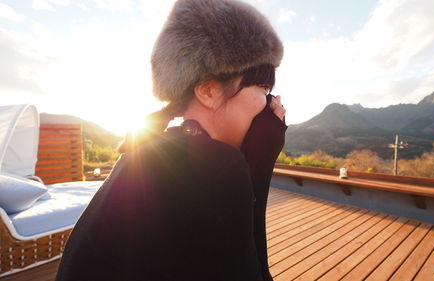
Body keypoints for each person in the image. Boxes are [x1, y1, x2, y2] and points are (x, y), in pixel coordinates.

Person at [55, 0, 286, 280]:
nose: (274, 101)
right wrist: (260, 162)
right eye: (263, 87)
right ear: (209, 91)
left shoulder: (149, 149)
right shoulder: (216, 165)